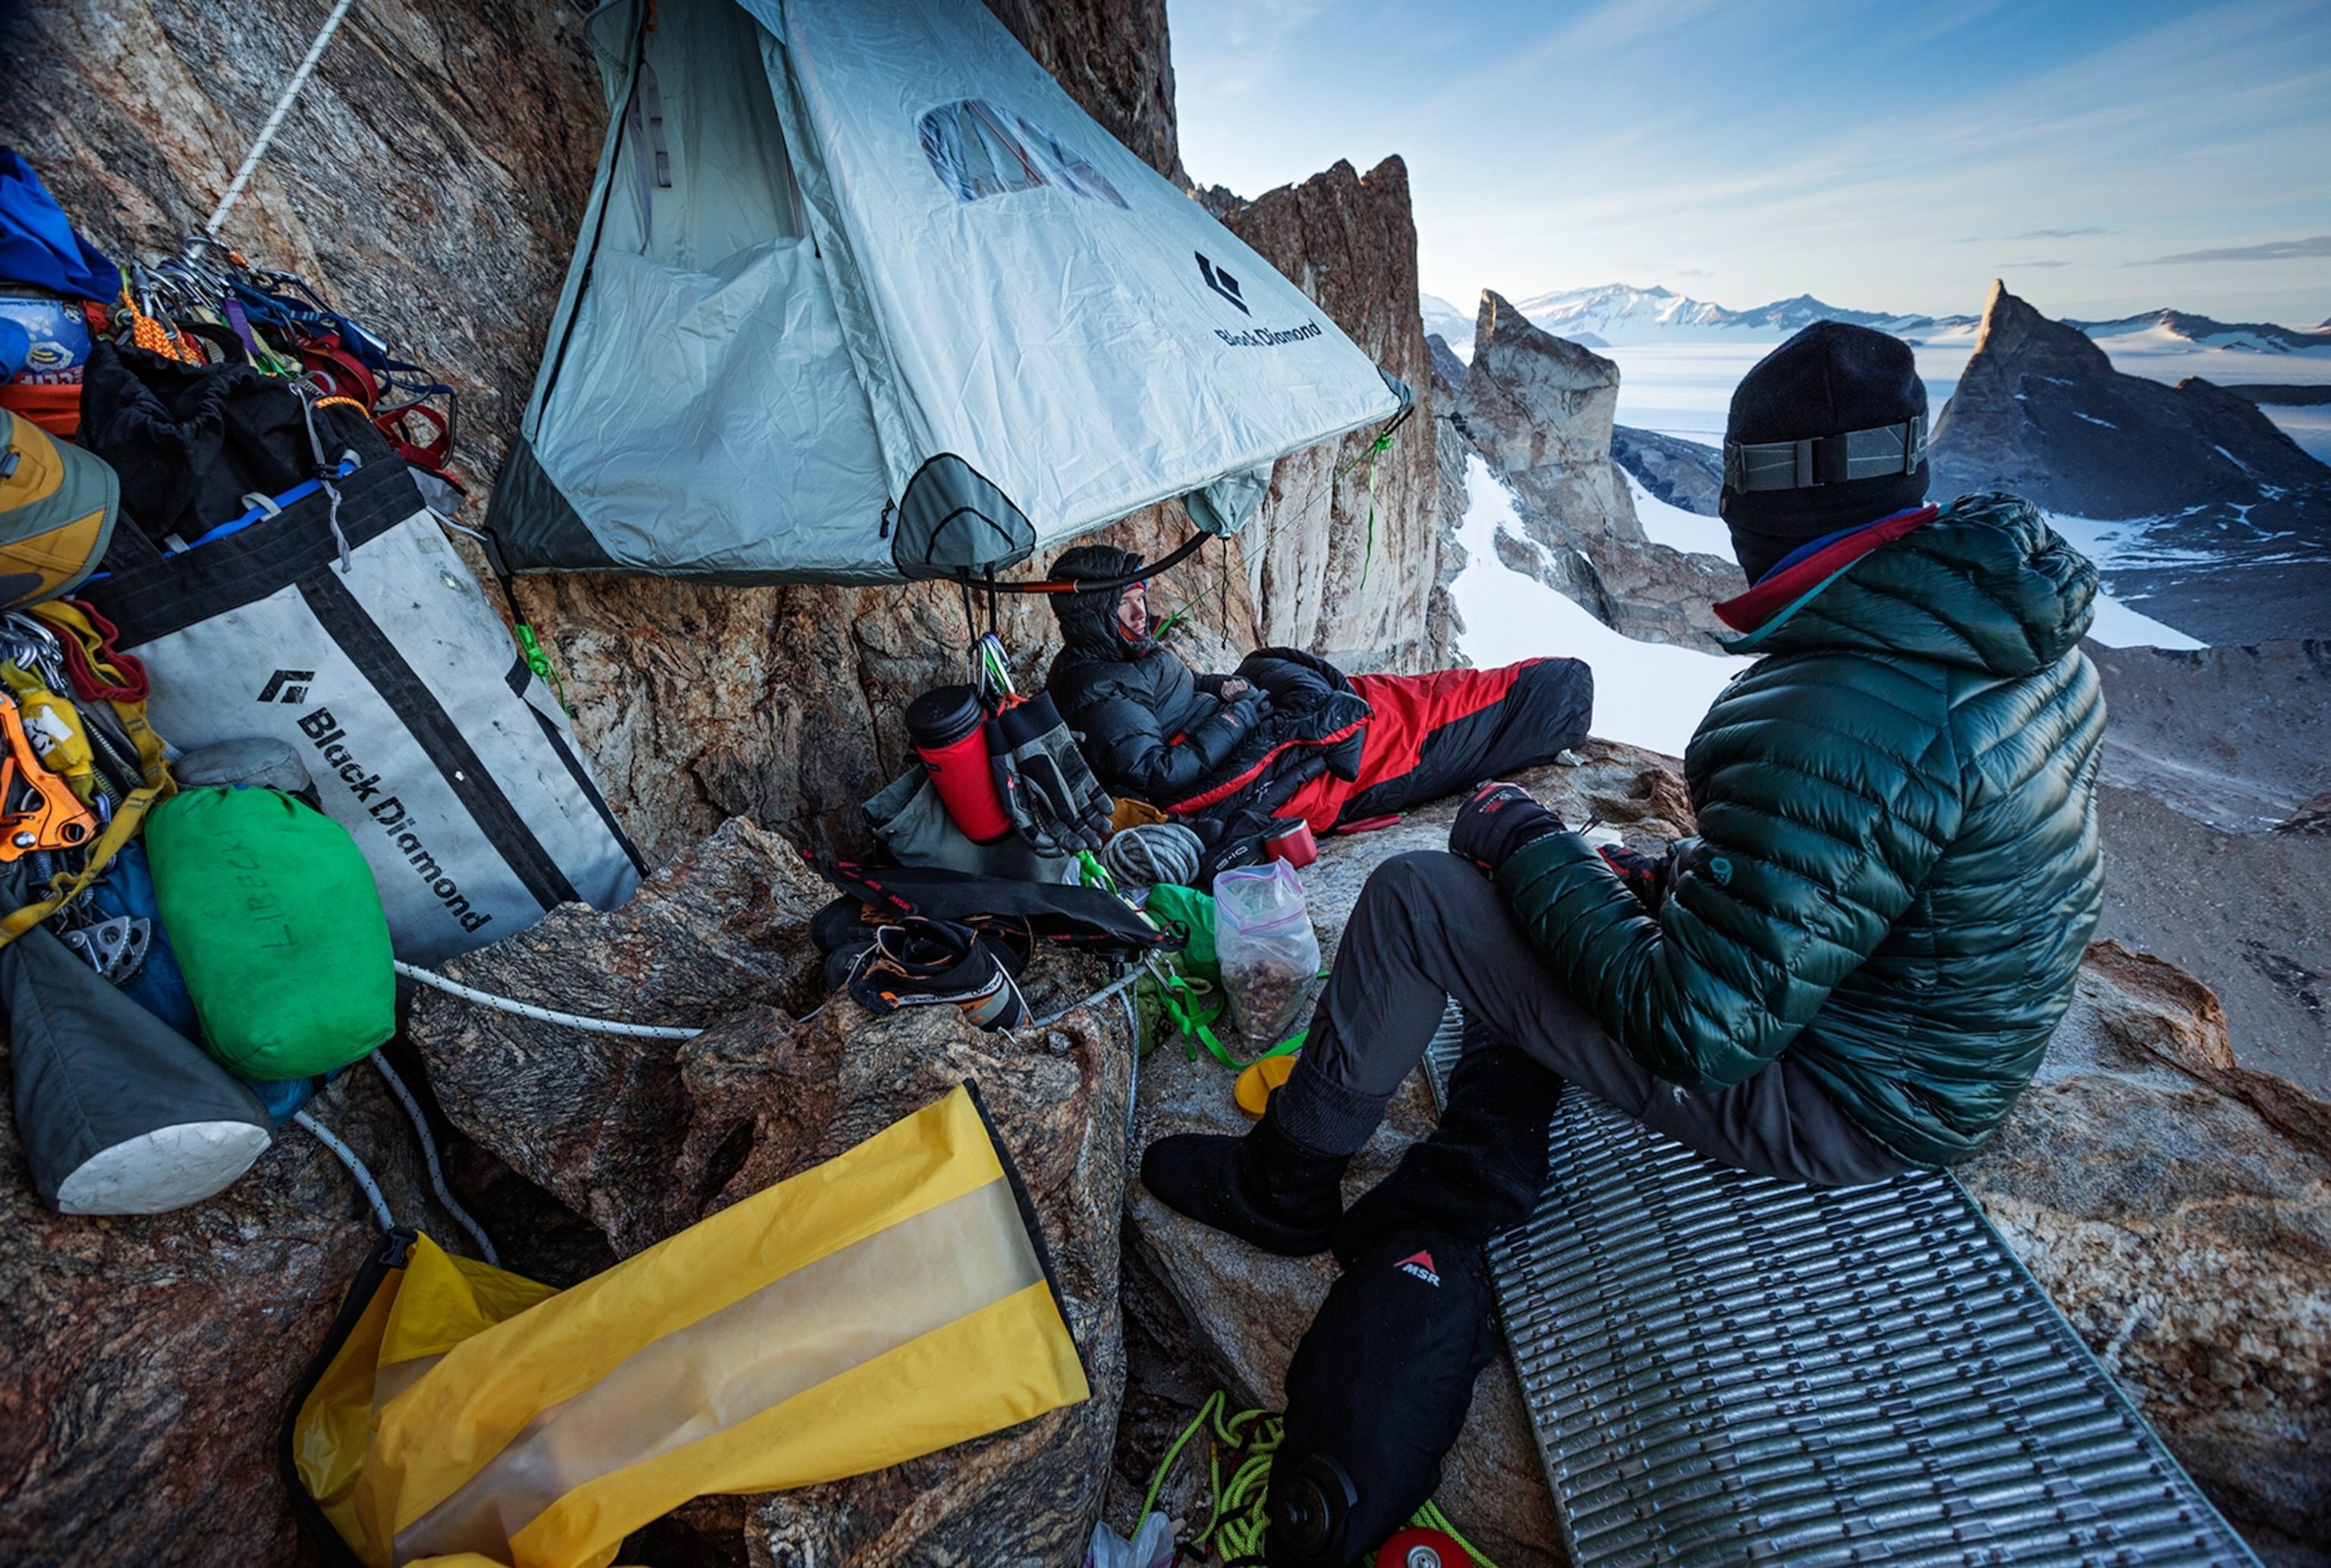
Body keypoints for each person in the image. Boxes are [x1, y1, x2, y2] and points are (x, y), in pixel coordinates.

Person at [1140, 322, 2107, 1564]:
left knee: (1414, 900)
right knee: (1553, 894)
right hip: (1946, 1046)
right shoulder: (2009, 628)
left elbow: (1693, 1027)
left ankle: (1283, 1185)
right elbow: (1883, 864)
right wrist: (1664, 880)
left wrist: (1522, 846)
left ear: (1758, 498)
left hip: (1841, 1100)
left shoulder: (1829, 700)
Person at [1042, 545, 1593, 841]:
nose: (1141, 613)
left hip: (1237, 726)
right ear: (1093, 614)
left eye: (1140, 597)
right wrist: (1236, 717)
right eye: (1125, 604)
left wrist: (1225, 688)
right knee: (1401, 732)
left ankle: (1550, 691)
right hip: (1242, 763)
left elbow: (1174, 694)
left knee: (1382, 695)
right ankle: (1553, 704)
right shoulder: (1097, 686)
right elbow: (1155, 775)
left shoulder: (1117, 654)